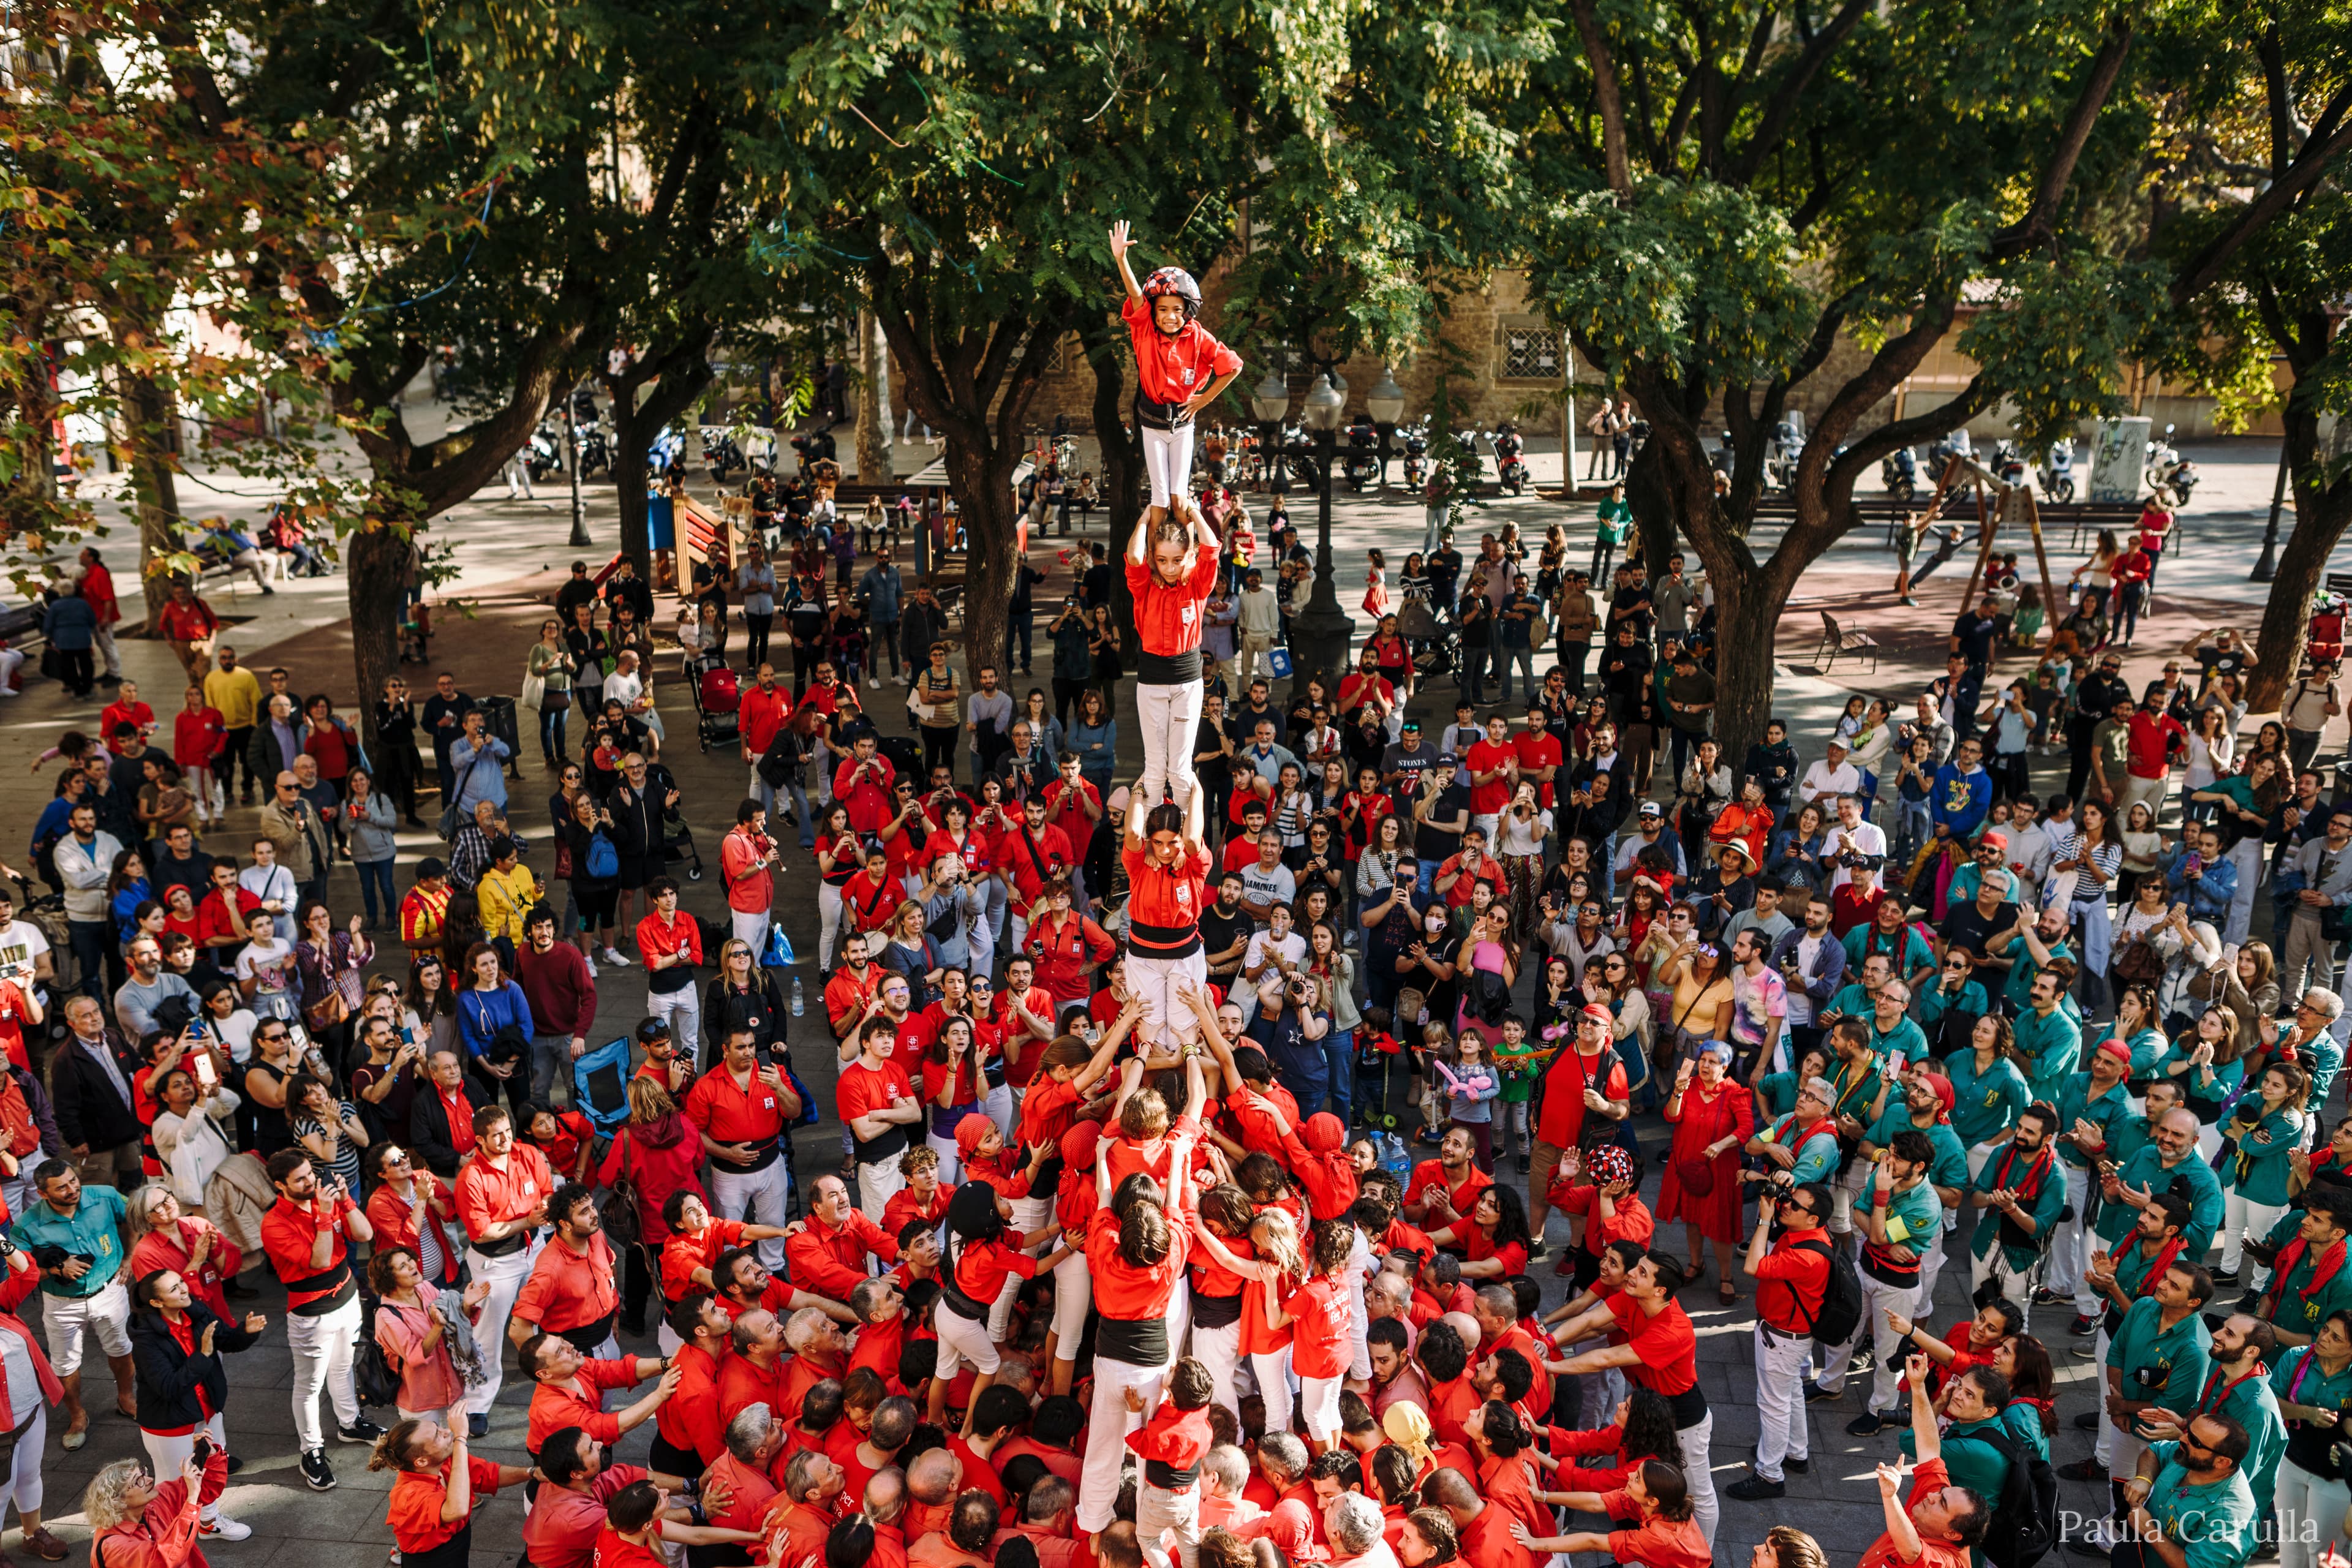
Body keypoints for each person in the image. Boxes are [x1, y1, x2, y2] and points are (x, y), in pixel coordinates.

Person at [259, 1149, 383, 1490]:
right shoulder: (274, 1223)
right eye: (300, 1179)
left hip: (346, 1297)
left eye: (310, 1174)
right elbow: (319, 1259)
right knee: (309, 1385)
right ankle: (311, 1450)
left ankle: (350, 1423)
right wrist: (326, 1216)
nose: (310, 1182)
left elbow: (364, 1236)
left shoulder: (323, 1198)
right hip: (311, 1312)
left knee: (343, 1367)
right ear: (280, 1185)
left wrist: (346, 1201)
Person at [1109, 222, 1243, 535]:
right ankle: (1156, 559)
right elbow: (1135, 295)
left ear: (1187, 311)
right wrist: (1121, 260)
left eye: (1177, 310)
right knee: (1159, 499)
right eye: (1163, 309)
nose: (1170, 315)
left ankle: (1187, 553)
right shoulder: (1143, 330)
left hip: (1183, 425)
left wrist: (1205, 398)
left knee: (1178, 498)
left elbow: (1233, 367)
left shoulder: (1198, 336)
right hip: (1152, 424)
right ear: (1154, 313)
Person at [9, 1157, 137, 1450]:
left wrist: (130, 1258)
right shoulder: (28, 1225)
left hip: (110, 1290)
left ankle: (127, 1399)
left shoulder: (105, 1195)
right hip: (61, 1303)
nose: (72, 1190)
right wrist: (56, 1270)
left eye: (73, 1181)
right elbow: (20, 1272)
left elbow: (136, 1218)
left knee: (121, 1348)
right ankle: (77, 1416)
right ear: (42, 1193)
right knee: (65, 1364)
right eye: (62, 1188)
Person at [126, 1269, 263, 1539]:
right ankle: (165, 1537)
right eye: (174, 1289)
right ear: (157, 1303)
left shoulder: (195, 1312)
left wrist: (246, 1332)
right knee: (172, 1483)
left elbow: (226, 1339)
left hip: (206, 1410)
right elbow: (168, 1387)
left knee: (209, 1469)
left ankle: (208, 1523)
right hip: (171, 1422)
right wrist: (203, 1354)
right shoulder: (146, 1340)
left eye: (181, 1282)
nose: (184, 1289)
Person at [452, 1102, 552, 1436]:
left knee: (540, 1315)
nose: (505, 1139)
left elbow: (547, 1191)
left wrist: (547, 1208)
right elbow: (482, 1232)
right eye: (496, 1136)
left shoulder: (528, 1154)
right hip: (495, 1263)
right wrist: (527, 1220)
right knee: (488, 1335)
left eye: (508, 1131)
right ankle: (477, 1403)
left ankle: (546, 1375)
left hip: (534, 1248)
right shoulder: (471, 1178)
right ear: (479, 1140)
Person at [1126, 503, 1221, 814]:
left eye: (1177, 560)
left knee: (1180, 769)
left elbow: (1211, 547)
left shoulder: (1197, 587)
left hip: (1187, 685)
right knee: (1154, 768)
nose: (1169, 568)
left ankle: (1185, 833)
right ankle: (1153, 833)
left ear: (1187, 558)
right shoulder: (1143, 588)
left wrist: (1192, 511)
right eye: (1163, 560)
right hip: (1151, 683)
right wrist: (1144, 519)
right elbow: (1137, 558)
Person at [369, 1412, 532, 1568]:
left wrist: (531, 1473)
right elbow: (456, 1510)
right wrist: (460, 1440)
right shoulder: (410, 1494)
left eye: (438, 1427)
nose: (447, 1431)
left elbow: (489, 1475)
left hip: (456, 1547)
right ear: (421, 1461)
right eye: (437, 1436)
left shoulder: (445, 1461)